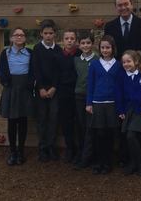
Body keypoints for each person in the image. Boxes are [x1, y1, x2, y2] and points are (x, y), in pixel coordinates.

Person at [104, 0, 141, 167]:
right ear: (116, 7)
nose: (123, 8)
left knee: (140, 121)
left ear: (132, 4)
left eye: (126, 4)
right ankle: (124, 154)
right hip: (119, 78)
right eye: (120, 5)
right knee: (122, 120)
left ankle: (140, 155)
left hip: (139, 79)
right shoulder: (110, 27)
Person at [0, 26, 36, 166]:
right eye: (16, 35)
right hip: (11, 89)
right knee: (12, 122)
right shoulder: (5, 53)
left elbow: (34, 70)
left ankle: (21, 152)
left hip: (24, 89)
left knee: (23, 121)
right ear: (11, 38)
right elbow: (0, 69)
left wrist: (30, 84)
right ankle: (12, 152)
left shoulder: (30, 53)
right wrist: (4, 80)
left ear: (25, 38)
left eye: (22, 35)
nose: (19, 37)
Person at [86, 35, 122, 174]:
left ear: (113, 48)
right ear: (99, 49)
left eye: (108, 47)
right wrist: (89, 103)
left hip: (112, 103)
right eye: (103, 47)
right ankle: (99, 162)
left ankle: (107, 162)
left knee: (109, 134)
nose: (105, 50)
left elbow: (120, 86)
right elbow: (91, 85)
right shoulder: (94, 64)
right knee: (99, 133)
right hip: (98, 102)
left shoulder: (118, 65)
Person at [115, 50, 141, 177]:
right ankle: (134, 164)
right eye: (124, 62)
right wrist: (120, 110)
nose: (126, 64)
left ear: (136, 62)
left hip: (139, 109)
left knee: (131, 136)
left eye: (128, 61)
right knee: (129, 138)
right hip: (127, 109)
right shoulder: (121, 75)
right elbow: (118, 93)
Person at [32, 19, 62, 163]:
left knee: (54, 116)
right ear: (41, 34)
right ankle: (42, 147)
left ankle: (51, 145)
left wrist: (54, 87)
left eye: (51, 33)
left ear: (55, 34)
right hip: (41, 88)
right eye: (45, 33)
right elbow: (36, 69)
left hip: (54, 89)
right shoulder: (37, 49)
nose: (48, 36)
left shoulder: (58, 50)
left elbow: (59, 71)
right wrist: (41, 88)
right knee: (42, 118)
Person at [52, 29, 82, 163]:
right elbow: (56, 76)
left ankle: (82, 149)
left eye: (72, 38)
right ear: (62, 40)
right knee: (66, 123)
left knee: (81, 122)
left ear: (76, 41)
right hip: (64, 94)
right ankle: (70, 148)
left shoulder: (81, 55)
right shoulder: (58, 57)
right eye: (67, 38)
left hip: (80, 93)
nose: (69, 41)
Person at [73, 31, 99, 170]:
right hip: (79, 96)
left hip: (92, 98)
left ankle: (87, 156)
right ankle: (81, 151)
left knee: (89, 127)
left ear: (93, 44)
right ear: (79, 44)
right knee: (81, 126)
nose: (85, 45)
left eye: (88, 43)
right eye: (83, 43)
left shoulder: (97, 61)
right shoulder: (76, 60)